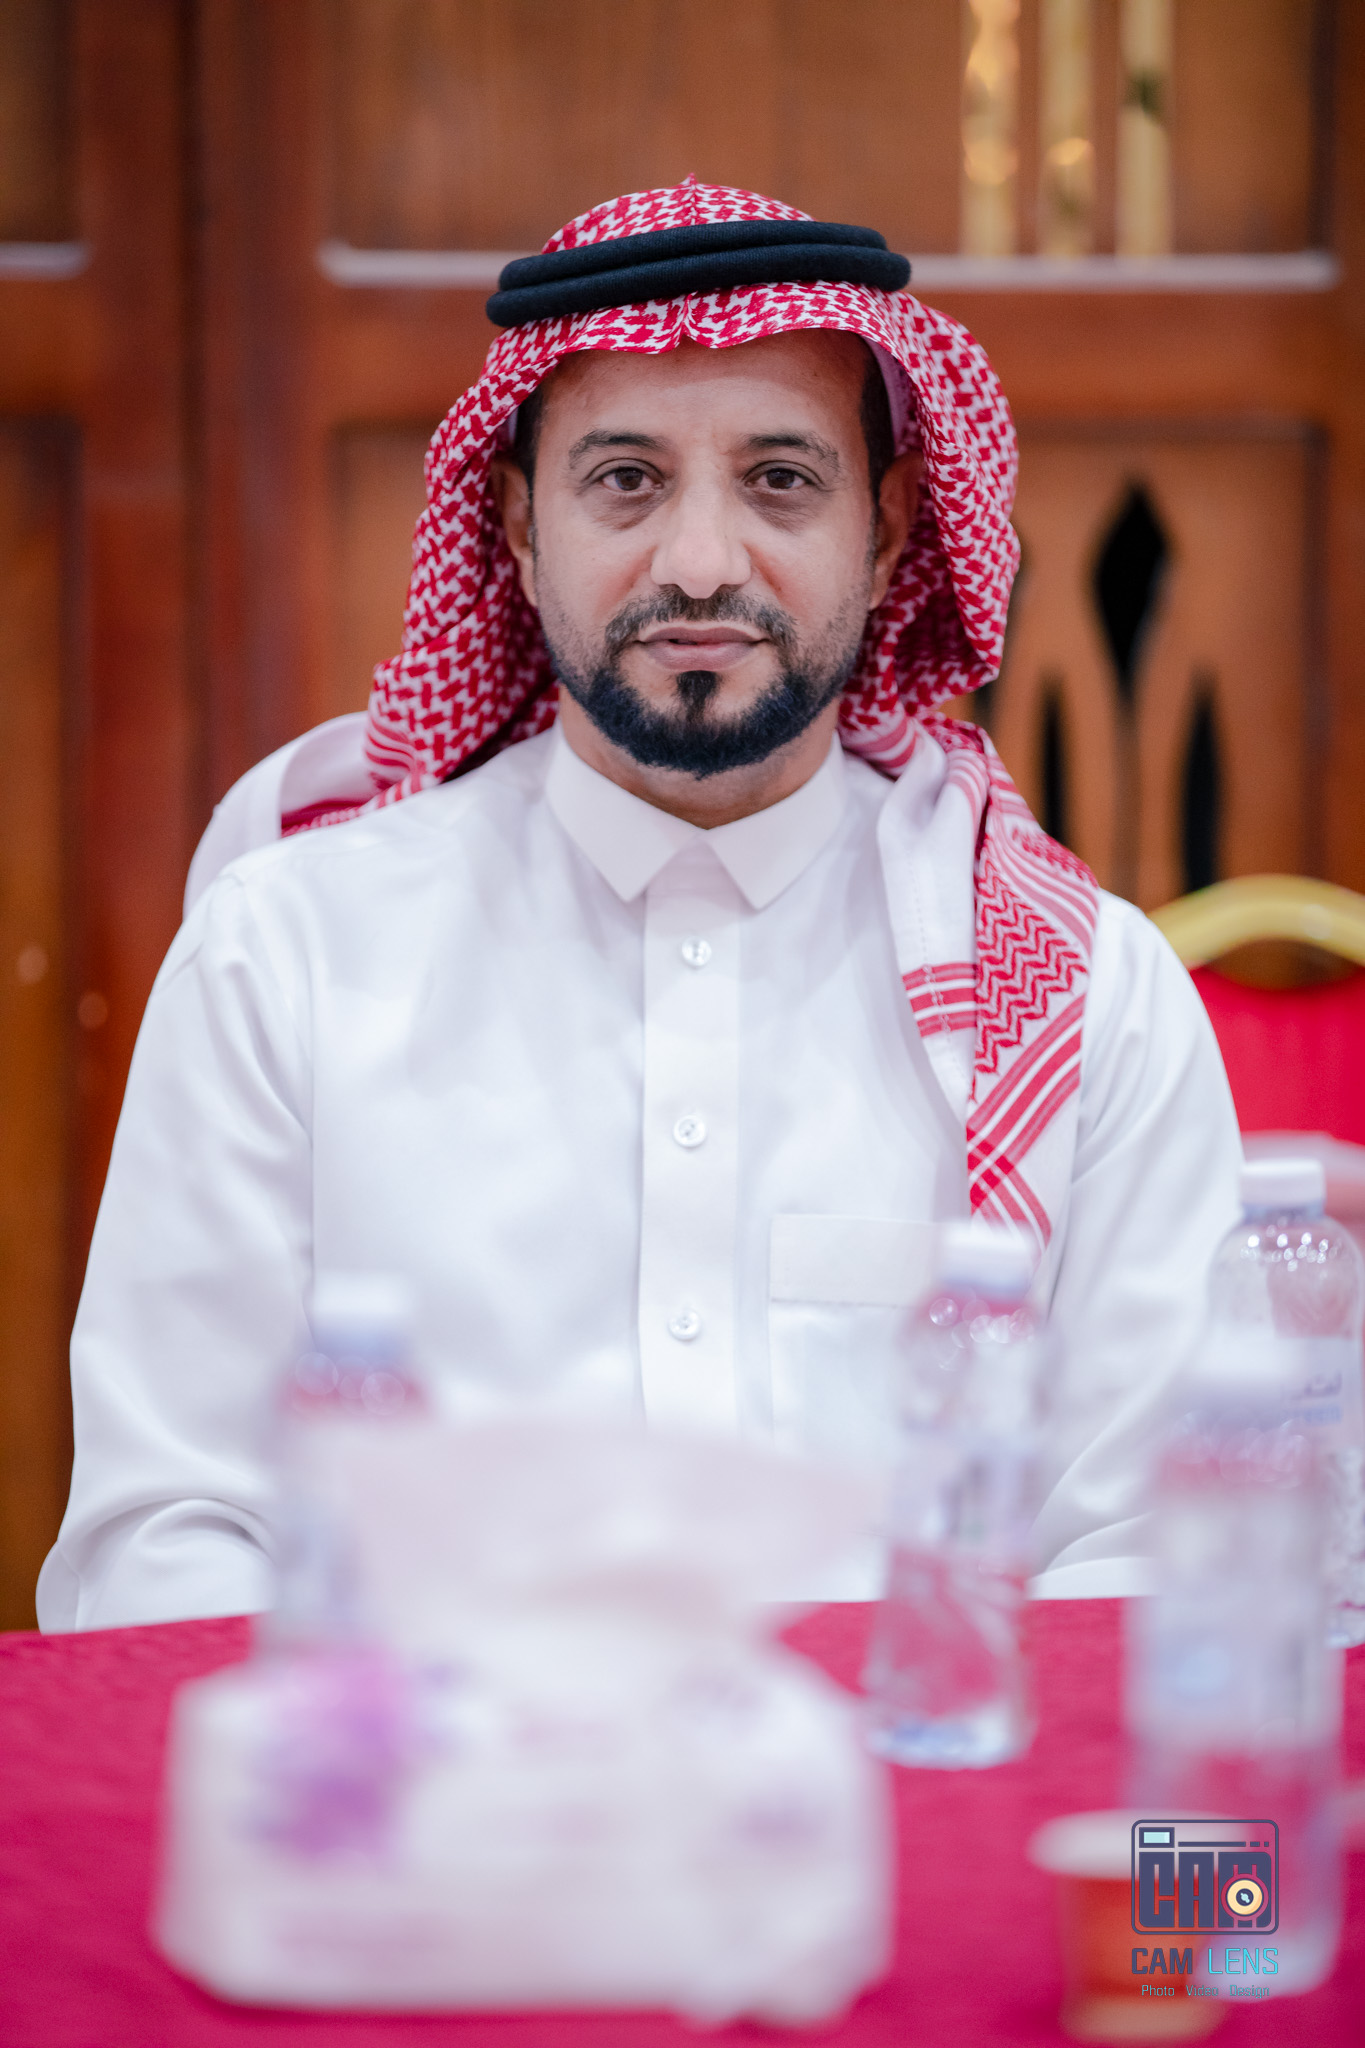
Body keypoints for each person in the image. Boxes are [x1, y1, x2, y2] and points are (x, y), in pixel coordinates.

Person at [38, 180, 1241, 1631]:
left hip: (909, 1774)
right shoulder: (286, 955)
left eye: (780, 479)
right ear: (518, 527)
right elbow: (171, 1534)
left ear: (887, 528)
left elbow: (1152, 1557)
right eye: (625, 479)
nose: (699, 563)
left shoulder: (1085, 999)